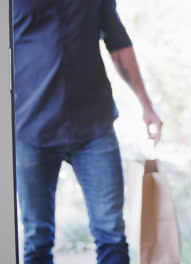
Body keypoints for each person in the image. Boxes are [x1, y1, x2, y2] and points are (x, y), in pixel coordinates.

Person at [13, 0, 162, 263]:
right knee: (37, 236)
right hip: (30, 127)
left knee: (111, 232)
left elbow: (118, 44)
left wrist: (147, 106)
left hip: (93, 127)